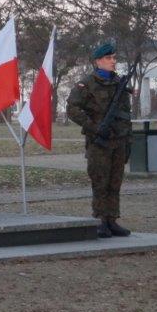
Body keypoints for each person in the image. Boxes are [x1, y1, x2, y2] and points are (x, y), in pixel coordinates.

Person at [66, 42, 134, 239]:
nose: (113, 61)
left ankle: (112, 219)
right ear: (98, 61)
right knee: (100, 181)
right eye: (108, 58)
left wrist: (128, 139)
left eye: (114, 58)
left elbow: (125, 115)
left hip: (119, 140)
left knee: (115, 182)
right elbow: (72, 109)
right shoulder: (86, 84)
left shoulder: (119, 83)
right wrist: (94, 127)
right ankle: (100, 221)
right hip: (99, 143)